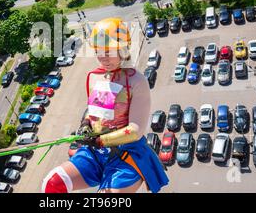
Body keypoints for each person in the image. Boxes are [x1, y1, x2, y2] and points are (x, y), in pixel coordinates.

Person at [42, 18, 169, 193]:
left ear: (122, 50)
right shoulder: (95, 77)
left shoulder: (136, 81)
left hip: (126, 153)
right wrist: (85, 124)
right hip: (95, 151)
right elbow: (94, 111)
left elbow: (135, 130)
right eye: (98, 52)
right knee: (52, 183)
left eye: (108, 52)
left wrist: (101, 140)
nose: (103, 58)